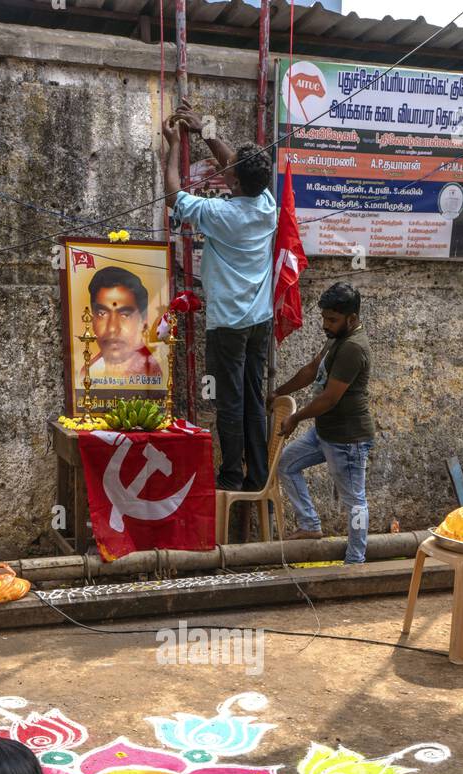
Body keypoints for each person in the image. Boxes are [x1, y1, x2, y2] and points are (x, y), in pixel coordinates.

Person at [162, 104, 276, 492]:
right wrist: (205, 128)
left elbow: (175, 196)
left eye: (229, 174)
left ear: (237, 185)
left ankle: (230, 477)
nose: (222, 170)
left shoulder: (222, 214)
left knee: (230, 403)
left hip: (228, 324)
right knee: (252, 399)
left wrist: (175, 145)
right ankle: (257, 476)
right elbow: (237, 166)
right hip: (258, 321)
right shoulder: (266, 204)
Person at [273, 283, 375, 564]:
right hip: (325, 433)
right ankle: (310, 525)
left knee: (354, 501)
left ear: (352, 319)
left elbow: (329, 398)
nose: (325, 324)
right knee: (286, 464)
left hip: (348, 440)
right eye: (324, 318)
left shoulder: (353, 348)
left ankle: (355, 561)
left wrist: (295, 417)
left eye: (332, 319)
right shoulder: (336, 339)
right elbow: (310, 370)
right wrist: (279, 392)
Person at [86, 266, 163, 387]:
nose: (112, 328)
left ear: (143, 321)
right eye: (102, 313)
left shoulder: (150, 372)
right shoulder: (89, 370)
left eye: (125, 315)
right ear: (92, 319)